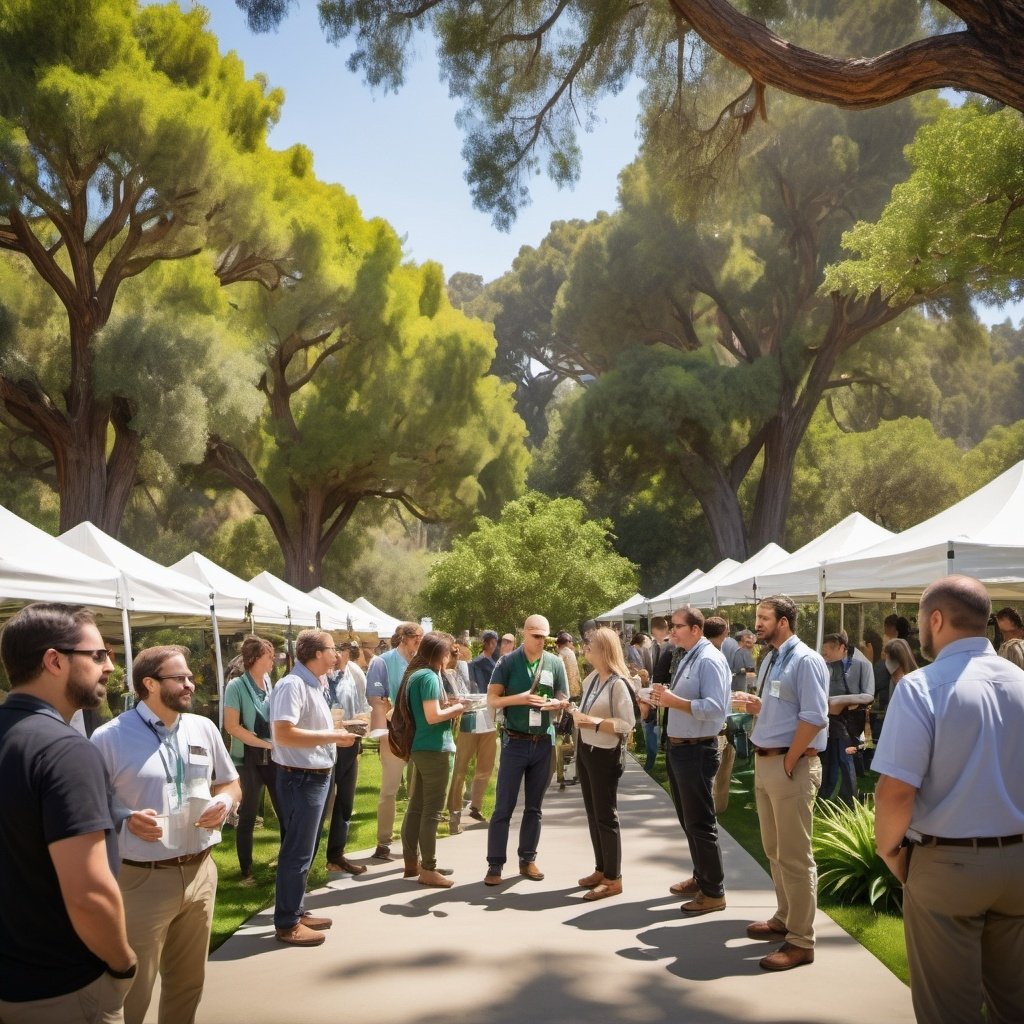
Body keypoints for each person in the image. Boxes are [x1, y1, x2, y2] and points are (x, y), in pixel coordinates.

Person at [874, 576, 1024, 1024]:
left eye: (921, 619)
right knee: (1015, 1003)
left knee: (948, 1010)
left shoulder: (922, 686)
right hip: (1018, 861)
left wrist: (889, 851)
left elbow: (896, 790)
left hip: (948, 863)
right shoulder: (1021, 680)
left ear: (935, 619)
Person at [91, 646, 241, 1024]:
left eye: (190, 677)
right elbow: (89, 803)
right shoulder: (109, 737)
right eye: (181, 678)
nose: (191, 684)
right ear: (150, 684)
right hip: (142, 878)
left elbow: (231, 782)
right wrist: (125, 816)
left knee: (189, 983)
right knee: (132, 989)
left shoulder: (202, 727)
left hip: (200, 873)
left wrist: (224, 803)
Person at [0, 603, 134, 1024]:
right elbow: (89, 892)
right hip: (62, 990)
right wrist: (123, 963)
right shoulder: (66, 751)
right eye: (97, 655)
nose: (109, 666)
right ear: (54, 661)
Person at [733, 596, 827, 971]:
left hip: (792, 765)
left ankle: (801, 941)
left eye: (763, 617)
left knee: (795, 856)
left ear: (784, 622)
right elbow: (783, 705)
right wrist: (758, 708)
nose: (756, 623)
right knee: (774, 850)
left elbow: (815, 716)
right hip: (768, 762)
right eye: (757, 616)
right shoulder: (772, 656)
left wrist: (789, 760)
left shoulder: (806, 660)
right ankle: (785, 918)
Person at [268, 629, 357, 947]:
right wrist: (334, 737)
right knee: (297, 852)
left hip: (313, 777)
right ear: (317, 653)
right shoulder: (292, 685)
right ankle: (287, 923)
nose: (338, 655)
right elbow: (285, 734)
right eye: (334, 649)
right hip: (301, 779)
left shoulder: (312, 683)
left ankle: (295, 910)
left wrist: (335, 729)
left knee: (304, 851)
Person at [648, 607, 730, 915]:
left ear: (696, 629)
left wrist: (673, 701)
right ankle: (702, 877)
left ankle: (714, 892)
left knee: (700, 821)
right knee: (688, 820)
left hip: (696, 750)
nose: (673, 631)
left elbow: (715, 708)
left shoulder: (708, 659)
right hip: (681, 748)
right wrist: (662, 697)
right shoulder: (690, 655)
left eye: (678, 626)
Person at [484, 614, 569, 885]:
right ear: (524, 634)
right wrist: (519, 699)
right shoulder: (507, 662)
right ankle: (495, 864)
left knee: (535, 807)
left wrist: (557, 705)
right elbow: (493, 700)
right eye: (536, 636)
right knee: (503, 807)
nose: (541, 641)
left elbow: (563, 697)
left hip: (543, 741)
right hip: (515, 741)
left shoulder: (554, 662)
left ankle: (528, 859)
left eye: (545, 637)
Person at [571, 627, 636, 901]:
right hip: (586, 749)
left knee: (606, 816)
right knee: (592, 813)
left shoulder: (618, 683)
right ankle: (602, 869)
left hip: (604, 753)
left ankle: (613, 878)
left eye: (589, 644)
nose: (585, 647)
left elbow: (627, 725)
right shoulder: (591, 680)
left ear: (604, 649)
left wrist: (595, 722)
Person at [399, 632, 465, 887]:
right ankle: (428, 868)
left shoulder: (417, 674)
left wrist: (447, 704)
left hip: (420, 747)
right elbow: (433, 716)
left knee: (416, 807)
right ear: (441, 653)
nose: (450, 657)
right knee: (432, 812)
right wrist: (457, 709)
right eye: (448, 652)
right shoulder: (428, 676)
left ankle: (412, 862)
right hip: (435, 748)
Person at [223, 635, 283, 885]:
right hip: (247, 758)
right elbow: (232, 727)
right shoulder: (235, 686)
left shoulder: (269, 681)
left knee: (284, 809)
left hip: (272, 756)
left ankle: (287, 861)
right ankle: (246, 872)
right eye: (270, 656)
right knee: (248, 814)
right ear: (256, 658)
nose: (273, 660)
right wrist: (265, 743)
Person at [365, 622, 424, 860]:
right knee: (389, 790)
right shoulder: (382, 662)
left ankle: (415, 845)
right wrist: (393, 713)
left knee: (417, 791)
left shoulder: (422, 661)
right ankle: (383, 843)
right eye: (417, 637)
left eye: (422, 637)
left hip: (420, 733)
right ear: (404, 638)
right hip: (393, 733)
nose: (420, 642)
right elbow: (375, 698)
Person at [318, 640, 370, 876]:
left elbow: (362, 705)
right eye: (335, 652)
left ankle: (336, 855)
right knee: (322, 802)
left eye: (343, 653)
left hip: (351, 741)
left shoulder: (356, 673)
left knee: (346, 801)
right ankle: (309, 860)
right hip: (327, 745)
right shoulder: (321, 675)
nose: (339, 657)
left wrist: (361, 724)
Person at [447, 639, 497, 833]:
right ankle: (454, 814)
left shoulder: (479, 666)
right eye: (453, 653)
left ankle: (475, 807)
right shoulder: (446, 673)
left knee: (485, 766)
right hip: (466, 721)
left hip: (486, 719)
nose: (457, 655)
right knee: (460, 768)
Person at [819, 632, 874, 806]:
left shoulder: (862, 663)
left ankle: (849, 799)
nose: (824, 656)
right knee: (829, 757)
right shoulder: (830, 664)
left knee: (845, 756)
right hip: (830, 717)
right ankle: (828, 794)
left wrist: (841, 701)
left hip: (850, 719)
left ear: (842, 648)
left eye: (827, 652)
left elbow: (868, 695)